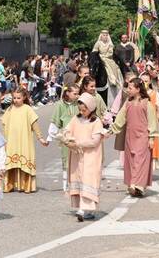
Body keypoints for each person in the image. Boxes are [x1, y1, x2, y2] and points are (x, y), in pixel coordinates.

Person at [108, 77, 158, 197]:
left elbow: (152, 121)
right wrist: (111, 130)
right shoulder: (128, 103)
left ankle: (138, 186)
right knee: (131, 160)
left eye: (130, 88)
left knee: (140, 160)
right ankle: (132, 184)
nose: (128, 90)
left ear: (138, 89)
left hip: (143, 136)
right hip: (130, 136)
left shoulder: (147, 104)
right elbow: (120, 118)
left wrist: (152, 137)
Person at [65, 92, 106, 222]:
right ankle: (84, 209)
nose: (82, 112)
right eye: (80, 109)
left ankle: (84, 209)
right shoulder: (76, 119)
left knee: (88, 180)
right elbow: (67, 130)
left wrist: (78, 143)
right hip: (77, 157)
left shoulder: (96, 122)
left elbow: (95, 141)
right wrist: (67, 139)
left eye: (85, 110)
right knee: (79, 179)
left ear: (91, 108)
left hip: (91, 157)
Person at [2, 88, 47, 193]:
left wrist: (40, 138)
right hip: (11, 141)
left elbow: (34, 124)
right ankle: (9, 185)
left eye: (18, 98)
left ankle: (26, 186)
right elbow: (4, 125)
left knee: (25, 159)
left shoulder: (27, 109)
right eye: (14, 98)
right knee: (11, 161)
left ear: (24, 98)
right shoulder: (9, 109)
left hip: (24, 140)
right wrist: (2, 140)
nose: (16, 100)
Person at [46, 84, 80, 191]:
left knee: (79, 158)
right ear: (67, 93)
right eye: (74, 93)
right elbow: (56, 121)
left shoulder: (79, 104)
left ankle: (77, 182)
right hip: (66, 136)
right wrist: (51, 136)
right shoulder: (61, 105)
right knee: (66, 159)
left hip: (78, 135)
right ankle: (65, 184)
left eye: (78, 93)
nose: (77, 96)